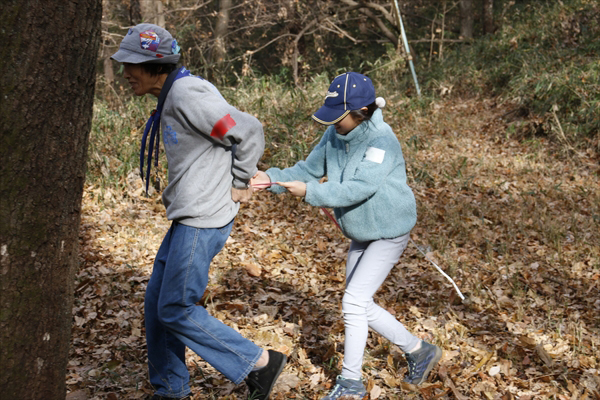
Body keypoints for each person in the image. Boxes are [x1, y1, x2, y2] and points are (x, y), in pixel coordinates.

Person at [111, 24, 286, 400]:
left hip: (202, 218)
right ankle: (171, 389)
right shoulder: (174, 93)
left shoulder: (188, 94)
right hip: (188, 217)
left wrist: (241, 182)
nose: (125, 73)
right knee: (158, 304)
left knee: (174, 307)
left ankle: (258, 362)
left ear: (157, 65)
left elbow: (248, 130)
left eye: (132, 64)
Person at [252, 72, 442, 399]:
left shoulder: (381, 139)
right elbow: (306, 170)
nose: (333, 124)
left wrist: (310, 193)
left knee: (354, 301)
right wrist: (269, 179)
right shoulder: (333, 134)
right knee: (358, 303)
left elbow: (358, 188)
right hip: (361, 230)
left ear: (362, 112)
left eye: (339, 117)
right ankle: (419, 350)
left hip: (389, 230)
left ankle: (351, 383)